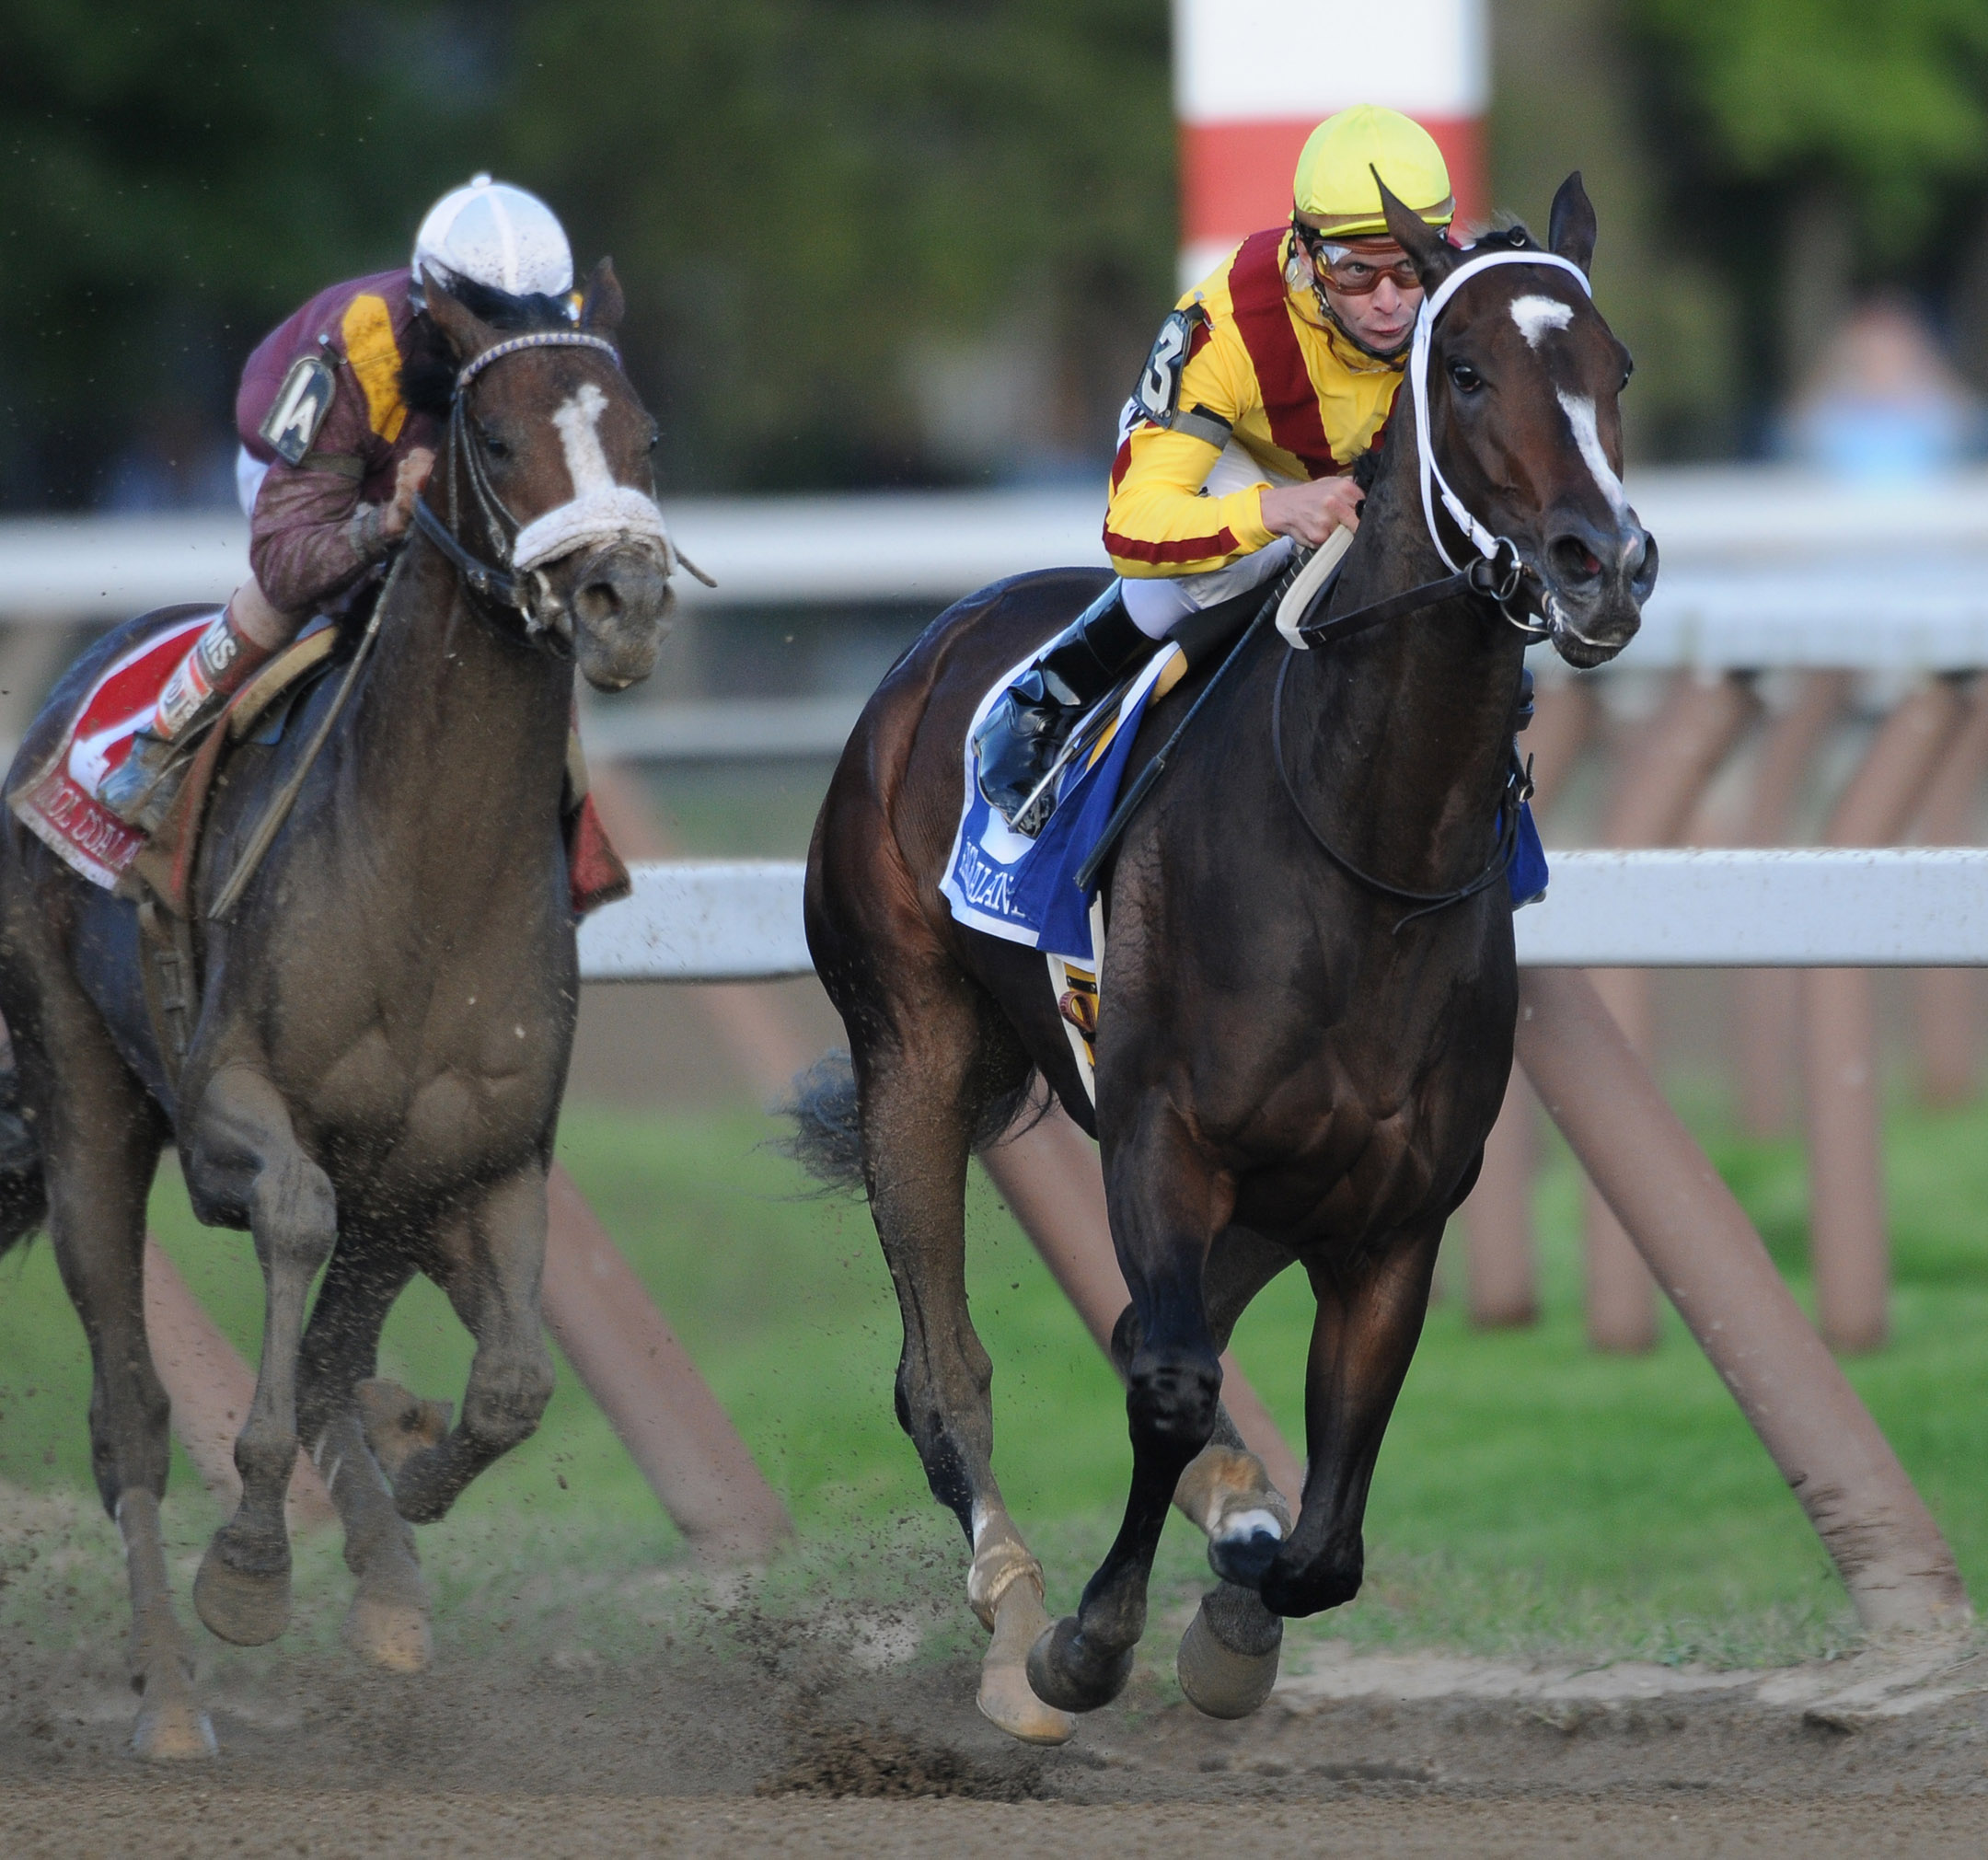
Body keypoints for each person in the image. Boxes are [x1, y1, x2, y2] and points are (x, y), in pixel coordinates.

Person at [974, 105, 1457, 827]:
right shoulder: (1225, 327)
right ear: (1306, 252)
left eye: (1410, 269)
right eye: (1357, 272)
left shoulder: (1470, 295)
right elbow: (1130, 525)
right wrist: (1277, 510)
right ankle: (1056, 690)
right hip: (1246, 462)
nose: (1389, 302)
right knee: (1241, 562)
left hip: (1366, 471)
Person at [98, 175, 576, 832]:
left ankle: (571, 843)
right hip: (321, 477)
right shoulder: (361, 342)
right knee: (305, 588)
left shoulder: (573, 350)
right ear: (430, 312)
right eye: (471, 339)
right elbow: (284, 553)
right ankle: (160, 750)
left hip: (453, 472)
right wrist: (385, 522)